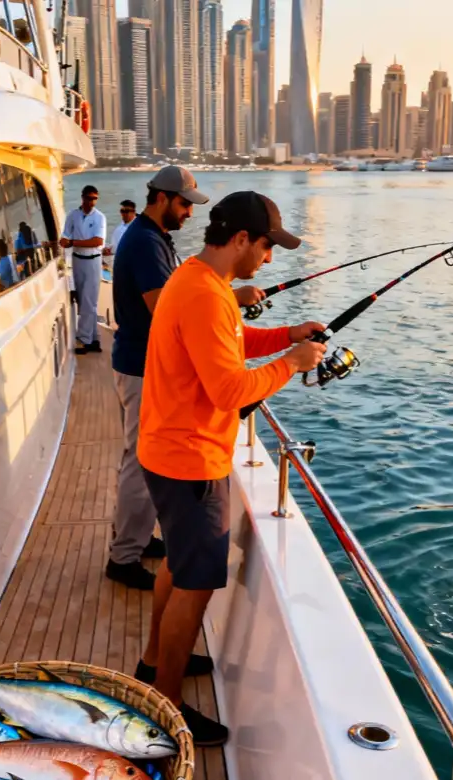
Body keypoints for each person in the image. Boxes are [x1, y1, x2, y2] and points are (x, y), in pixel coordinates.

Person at [134, 191, 326, 745]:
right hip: (191, 460)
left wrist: (285, 336)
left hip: (168, 450)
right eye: (266, 246)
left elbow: (232, 342)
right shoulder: (202, 293)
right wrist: (290, 364)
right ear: (241, 239)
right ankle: (165, 707)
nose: (268, 258)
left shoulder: (200, 281)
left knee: (176, 560)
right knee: (194, 584)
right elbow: (228, 390)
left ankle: (153, 662)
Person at [108, 167, 267, 591]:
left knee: (142, 461)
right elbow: (166, 304)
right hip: (143, 367)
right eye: (183, 204)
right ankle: (123, 555)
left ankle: (140, 539)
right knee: (140, 463)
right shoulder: (143, 242)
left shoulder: (153, 239)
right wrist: (230, 296)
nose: (189, 214)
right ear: (160, 198)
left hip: (148, 365)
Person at [59, 185, 106, 354]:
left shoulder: (100, 217)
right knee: (85, 301)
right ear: (83, 198)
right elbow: (66, 235)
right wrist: (64, 242)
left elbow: (97, 241)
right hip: (78, 260)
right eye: (89, 198)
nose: (92, 202)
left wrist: (72, 243)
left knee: (87, 301)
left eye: (95, 199)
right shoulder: (73, 215)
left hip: (93, 261)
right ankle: (94, 338)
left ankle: (84, 339)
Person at [103, 199, 136, 270]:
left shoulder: (136, 228)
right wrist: (108, 249)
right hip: (115, 256)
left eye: (126, 211)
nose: (123, 214)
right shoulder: (122, 224)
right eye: (122, 211)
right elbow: (115, 243)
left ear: (134, 212)